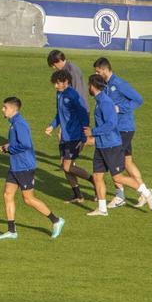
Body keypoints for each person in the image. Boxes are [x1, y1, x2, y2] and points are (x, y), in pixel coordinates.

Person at [83, 75, 152, 217]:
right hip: (101, 145)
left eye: (88, 85)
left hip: (111, 145)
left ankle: (146, 193)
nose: (87, 87)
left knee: (117, 178)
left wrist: (93, 132)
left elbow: (111, 124)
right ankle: (102, 209)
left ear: (93, 86)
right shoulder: (99, 100)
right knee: (97, 176)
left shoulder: (105, 102)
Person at [0, 97, 65, 240]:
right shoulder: (14, 123)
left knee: (28, 199)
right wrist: (8, 146)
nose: (2, 110)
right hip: (15, 166)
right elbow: (18, 143)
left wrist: (9, 149)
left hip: (24, 167)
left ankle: (56, 220)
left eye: (5, 107)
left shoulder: (19, 124)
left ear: (13, 109)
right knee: (7, 194)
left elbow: (26, 145)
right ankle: (11, 231)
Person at [44, 70, 94, 203]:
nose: (55, 86)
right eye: (54, 84)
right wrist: (52, 126)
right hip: (64, 136)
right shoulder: (59, 94)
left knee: (67, 166)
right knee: (65, 166)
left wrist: (84, 134)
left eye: (57, 83)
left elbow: (84, 114)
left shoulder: (73, 95)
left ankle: (94, 180)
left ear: (65, 82)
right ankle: (78, 195)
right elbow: (59, 113)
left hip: (75, 136)